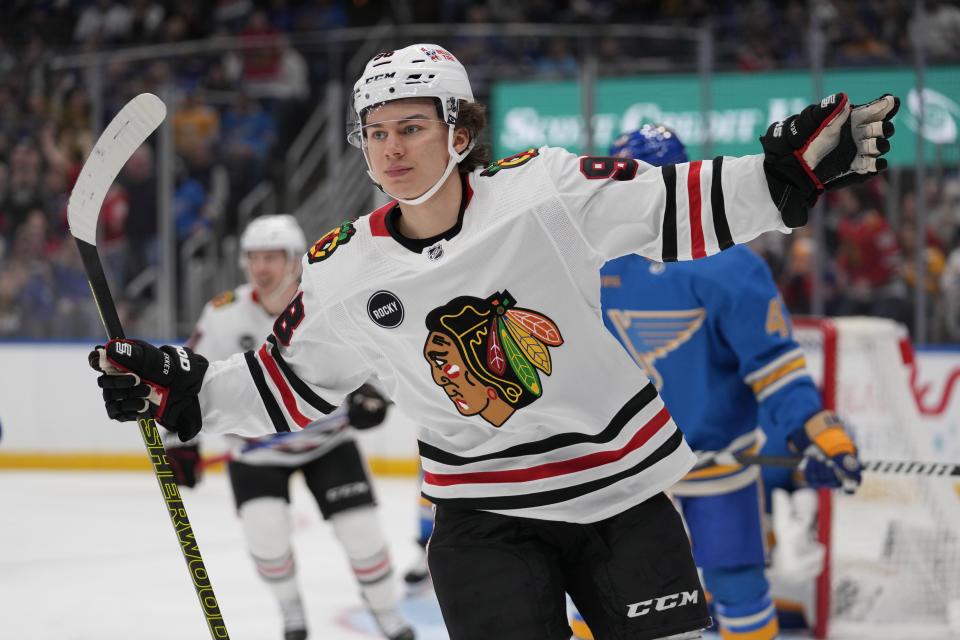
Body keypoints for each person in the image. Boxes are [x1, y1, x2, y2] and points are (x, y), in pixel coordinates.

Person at [89, 44, 898, 640]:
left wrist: (781, 176)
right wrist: (184, 388)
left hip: (621, 497)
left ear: (460, 132)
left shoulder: (541, 193)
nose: (393, 149)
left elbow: (669, 206)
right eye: (376, 133)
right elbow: (284, 385)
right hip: (483, 522)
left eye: (412, 127)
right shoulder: (339, 271)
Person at [565, 125, 864, 640]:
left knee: (737, 583)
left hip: (714, 463)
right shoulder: (581, 261)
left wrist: (814, 426)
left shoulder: (727, 263)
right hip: (621, 470)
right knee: (605, 591)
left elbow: (772, 363)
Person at [165, 214, 415, 640]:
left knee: (363, 536)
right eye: (253, 258)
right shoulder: (224, 315)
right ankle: (292, 614)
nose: (261, 268)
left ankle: (387, 613)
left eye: (272, 258)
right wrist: (179, 443)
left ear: (296, 260)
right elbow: (191, 383)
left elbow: (378, 362)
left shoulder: (327, 302)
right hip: (256, 452)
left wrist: (374, 398)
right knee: (266, 537)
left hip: (328, 441)